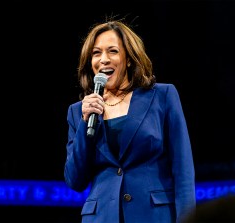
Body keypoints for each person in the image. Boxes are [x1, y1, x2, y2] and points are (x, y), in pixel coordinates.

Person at [64, 18, 196, 223]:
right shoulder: (78, 112)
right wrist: (85, 122)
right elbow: (75, 180)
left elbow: (183, 171)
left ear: (129, 58)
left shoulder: (162, 96)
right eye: (96, 53)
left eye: (113, 51)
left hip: (154, 215)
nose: (104, 59)